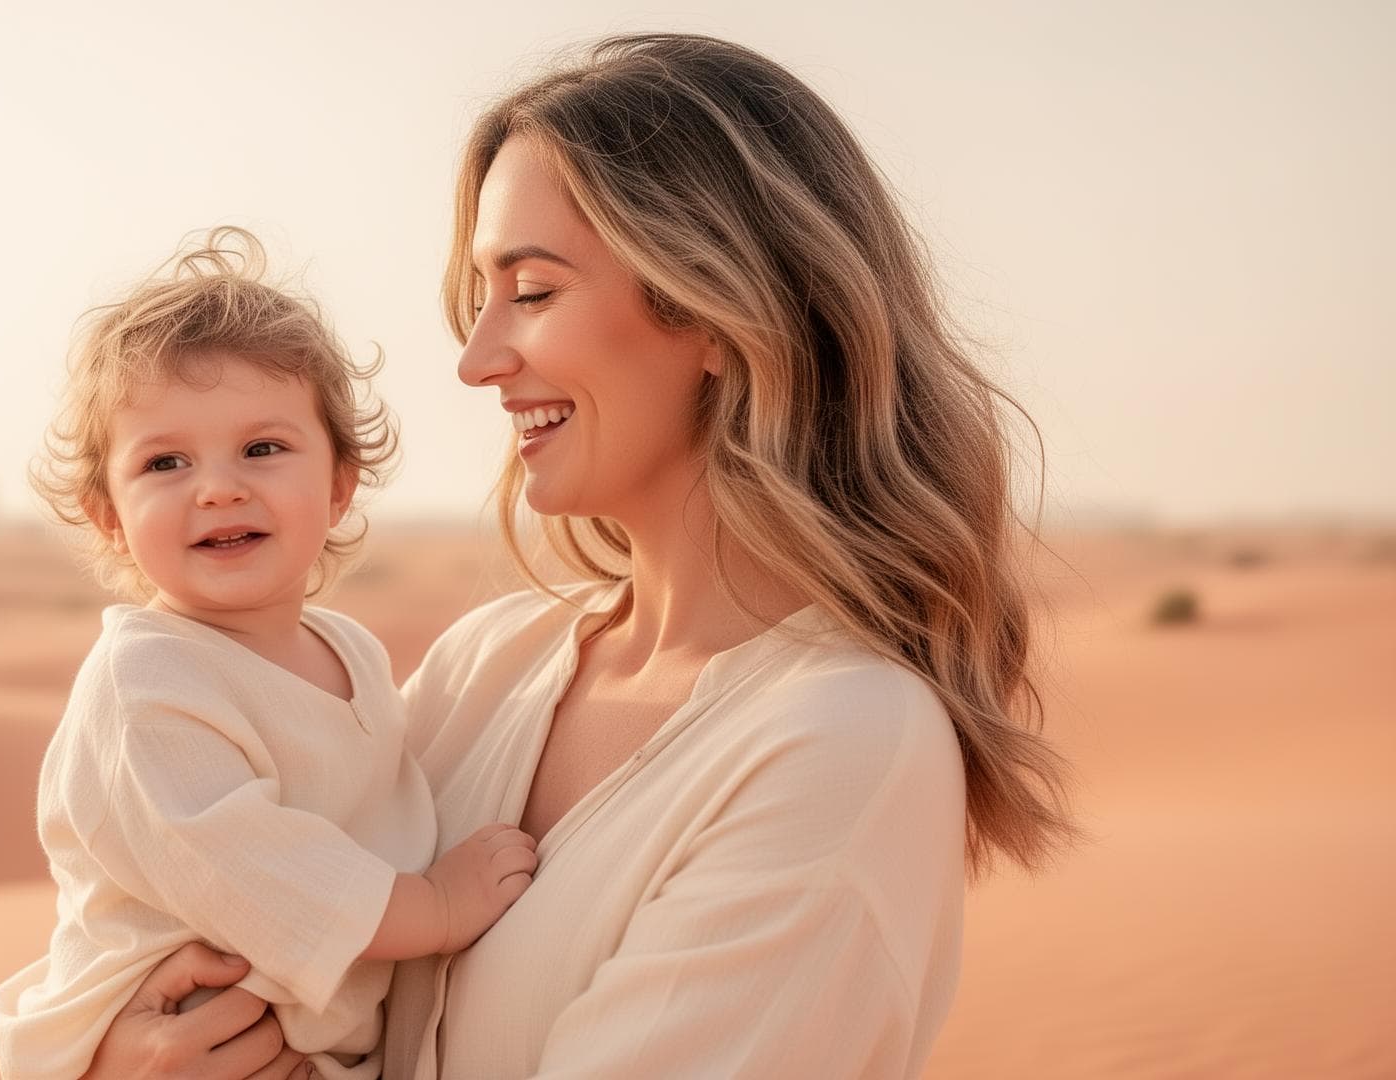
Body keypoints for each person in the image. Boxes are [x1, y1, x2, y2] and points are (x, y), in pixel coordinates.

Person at [86, 32, 1077, 1080]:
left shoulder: (844, 743)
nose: (476, 360)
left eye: (535, 290)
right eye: (481, 297)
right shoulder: (486, 664)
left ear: (714, 310)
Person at [0, 228, 539, 1080]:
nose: (217, 486)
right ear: (109, 516)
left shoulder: (348, 648)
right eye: (165, 462)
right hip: (191, 1028)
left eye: (262, 449)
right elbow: (255, 869)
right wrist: (435, 906)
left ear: (339, 484)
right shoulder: (147, 684)